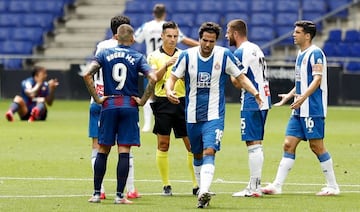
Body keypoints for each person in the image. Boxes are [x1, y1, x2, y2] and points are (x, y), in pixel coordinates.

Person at [165, 22, 262, 208]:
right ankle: (203, 193)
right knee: (197, 155)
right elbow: (172, 78)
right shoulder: (186, 56)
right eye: (204, 40)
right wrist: (169, 91)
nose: (208, 44)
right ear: (199, 38)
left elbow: (241, 77)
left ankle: (203, 191)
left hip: (214, 115)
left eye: (211, 41)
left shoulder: (224, 55)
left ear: (216, 41)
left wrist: (255, 93)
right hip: (192, 115)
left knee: (210, 150)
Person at [261, 20, 340, 196]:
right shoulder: (300, 53)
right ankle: (277, 185)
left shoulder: (315, 53)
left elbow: (317, 79)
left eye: (297, 32)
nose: (293, 34)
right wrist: (289, 97)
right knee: (288, 144)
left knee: (317, 147)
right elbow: (302, 83)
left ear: (307, 35)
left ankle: (333, 186)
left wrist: (303, 97)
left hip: (313, 108)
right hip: (299, 108)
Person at [84, 24, 156, 204]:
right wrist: (142, 100)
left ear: (116, 37)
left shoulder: (103, 55)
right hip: (129, 106)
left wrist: (98, 98)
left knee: (103, 150)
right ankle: (119, 196)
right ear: (132, 39)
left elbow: (86, 74)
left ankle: (96, 194)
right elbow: (153, 77)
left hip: (108, 105)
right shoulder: (138, 56)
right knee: (124, 151)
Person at [148, 21, 198, 196]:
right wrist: (167, 64)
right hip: (162, 102)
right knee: (163, 144)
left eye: (175, 36)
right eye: (169, 36)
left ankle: (196, 183)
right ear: (162, 36)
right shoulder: (154, 56)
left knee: (191, 145)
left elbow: (191, 78)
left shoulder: (185, 54)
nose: (172, 39)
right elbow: (154, 78)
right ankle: (166, 184)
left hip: (182, 101)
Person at [134, 3, 199, 132]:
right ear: (164, 14)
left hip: (151, 61)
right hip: (165, 59)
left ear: (153, 13)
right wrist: (200, 45)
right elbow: (185, 40)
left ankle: (147, 124)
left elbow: (134, 39)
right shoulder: (170, 27)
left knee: (150, 93)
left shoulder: (147, 26)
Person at [225, 19, 272, 197]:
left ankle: (254, 188)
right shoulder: (255, 48)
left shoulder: (240, 51)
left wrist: (229, 73)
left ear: (235, 33)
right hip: (264, 98)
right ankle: (254, 185)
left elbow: (238, 82)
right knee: (256, 142)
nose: (226, 36)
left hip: (252, 100)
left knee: (252, 143)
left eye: (228, 32)